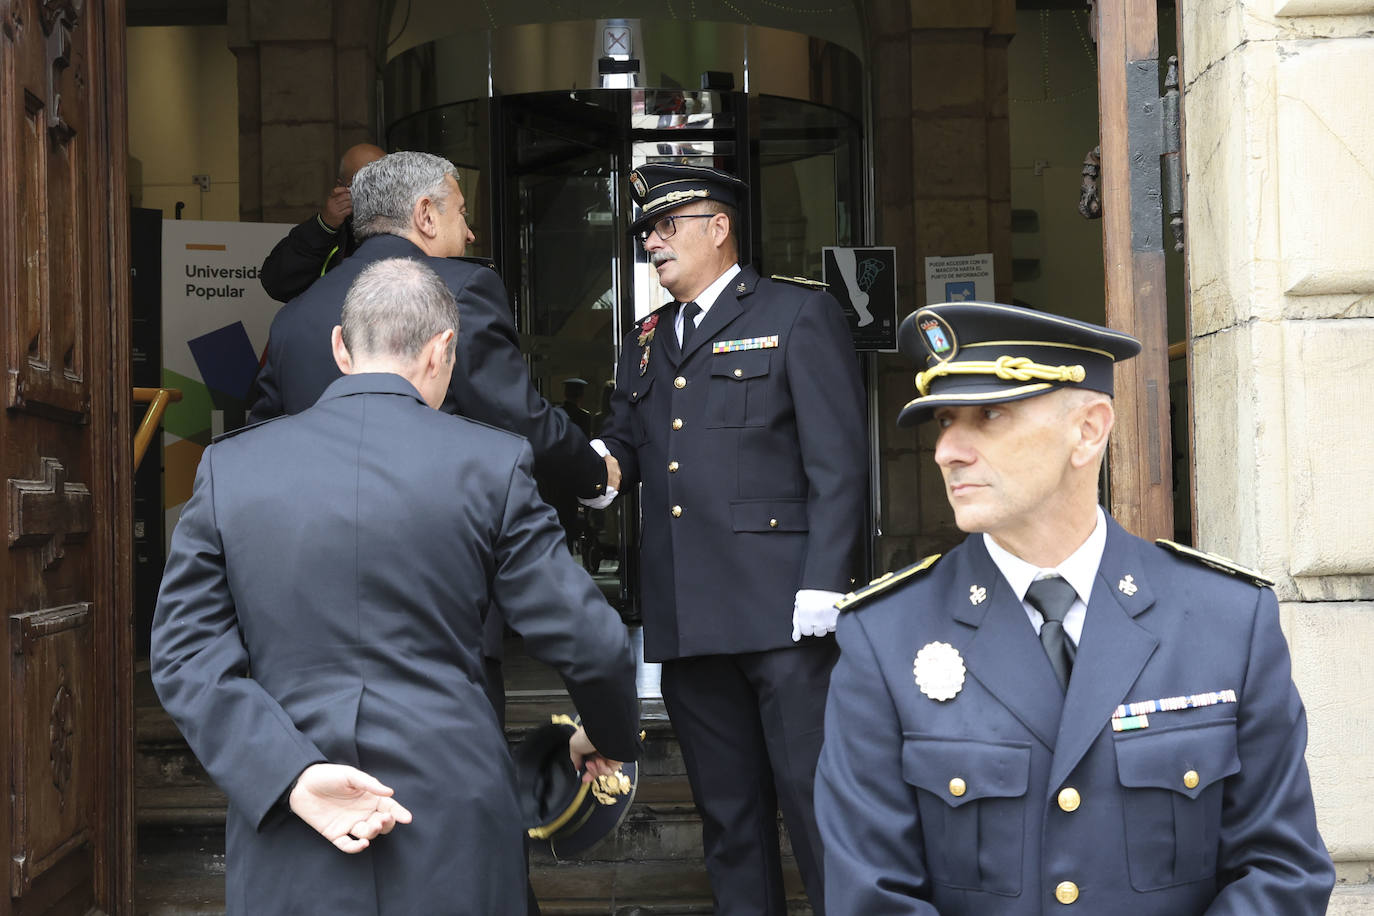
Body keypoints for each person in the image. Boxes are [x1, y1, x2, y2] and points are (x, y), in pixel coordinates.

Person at [151, 258, 640, 916]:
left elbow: (183, 654)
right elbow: (594, 642)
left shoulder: (229, 469)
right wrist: (609, 739)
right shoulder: (492, 465)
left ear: (340, 349)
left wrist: (287, 775)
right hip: (453, 816)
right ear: (444, 351)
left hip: (296, 822)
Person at [815, 301, 1334, 915]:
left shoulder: (1227, 620)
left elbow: (1281, 871)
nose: (947, 451)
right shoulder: (884, 637)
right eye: (946, 420)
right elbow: (871, 896)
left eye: (990, 415)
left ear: (1088, 429)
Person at [247, 150, 616, 723]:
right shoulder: (461, 289)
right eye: (461, 211)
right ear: (425, 214)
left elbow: (262, 439)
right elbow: (517, 414)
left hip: (308, 611)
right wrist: (594, 471)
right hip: (439, 602)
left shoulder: (294, 317)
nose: (469, 231)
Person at [587, 162, 868, 915]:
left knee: (817, 805)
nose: (652, 242)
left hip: (783, 610)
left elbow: (838, 462)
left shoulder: (796, 314)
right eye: (647, 230)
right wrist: (592, 469)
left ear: (720, 228)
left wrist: (825, 580)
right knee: (730, 819)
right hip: (688, 613)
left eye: (668, 226)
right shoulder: (647, 337)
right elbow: (627, 444)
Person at [259, 142, 387, 302]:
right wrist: (324, 226)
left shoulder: (415, 223)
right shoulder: (335, 231)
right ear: (342, 187)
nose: (376, 191)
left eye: (383, 179)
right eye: (364, 183)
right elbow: (277, 283)